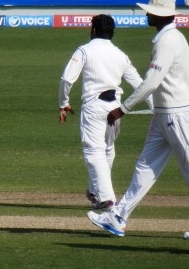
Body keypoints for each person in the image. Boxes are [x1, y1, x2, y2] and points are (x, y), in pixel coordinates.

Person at [88, 0, 189, 237]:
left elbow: (152, 81)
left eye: (150, 11)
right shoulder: (169, 38)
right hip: (163, 114)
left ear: (160, 14)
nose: (146, 14)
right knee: (144, 167)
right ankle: (118, 217)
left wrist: (123, 108)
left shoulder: (168, 41)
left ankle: (118, 216)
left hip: (176, 114)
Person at [59, 14, 151, 211]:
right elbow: (141, 85)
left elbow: (67, 79)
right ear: (112, 33)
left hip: (94, 107)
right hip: (115, 108)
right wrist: (156, 107)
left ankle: (107, 199)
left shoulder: (85, 50)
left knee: (94, 152)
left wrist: (63, 103)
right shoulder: (120, 55)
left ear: (93, 30)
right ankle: (95, 191)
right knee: (107, 150)